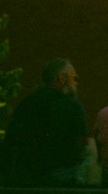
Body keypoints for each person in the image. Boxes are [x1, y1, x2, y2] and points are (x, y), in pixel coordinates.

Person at [0, 58, 88, 186]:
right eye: (74, 78)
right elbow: (80, 143)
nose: (75, 84)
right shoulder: (73, 106)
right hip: (61, 173)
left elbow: (12, 138)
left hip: (27, 173)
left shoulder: (26, 104)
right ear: (62, 78)